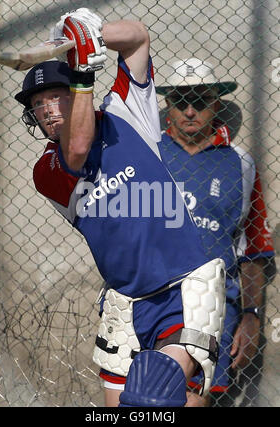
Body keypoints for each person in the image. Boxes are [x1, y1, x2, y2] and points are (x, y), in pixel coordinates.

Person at [14, 9, 226, 407]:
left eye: (53, 96)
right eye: (37, 103)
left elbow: (138, 37)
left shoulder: (126, 111)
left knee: (152, 396)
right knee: (130, 408)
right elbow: (78, 147)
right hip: (126, 303)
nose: (45, 109)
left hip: (183, 287)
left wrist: (87, 37)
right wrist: (80, 70)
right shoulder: (47, 169)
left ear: (74, 92)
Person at [155, 57, 276, 406]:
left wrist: (252, 317)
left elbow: (252, 250)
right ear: (167, 105)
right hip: (152, 304)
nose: (190, 111)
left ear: (216, 103)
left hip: (212, 310)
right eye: (180, 100)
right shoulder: (148, 156)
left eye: (201, 100)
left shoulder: (240, 164)